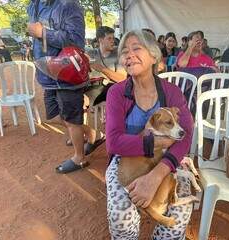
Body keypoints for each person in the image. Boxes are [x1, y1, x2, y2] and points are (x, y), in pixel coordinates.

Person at [105, 30, 194, 239]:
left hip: (167, 160)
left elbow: (186, 134)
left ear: (154, 55)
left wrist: (157, 175)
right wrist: (154, 142)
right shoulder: (117, 93)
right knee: (120, 215)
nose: (129, 54)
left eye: (136, 48)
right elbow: (114, 143)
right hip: (126, 162)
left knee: (180, 212)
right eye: (124, 51)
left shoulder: (171, 91)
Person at [27, 0, 101, 173]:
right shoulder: (34, 5)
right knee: (53, 117)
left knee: (71, 120)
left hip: (67, 75)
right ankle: (93, 135)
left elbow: (76, 42)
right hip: (47, 74)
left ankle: (79, 158)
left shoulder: (69, 5)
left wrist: (43, 32)